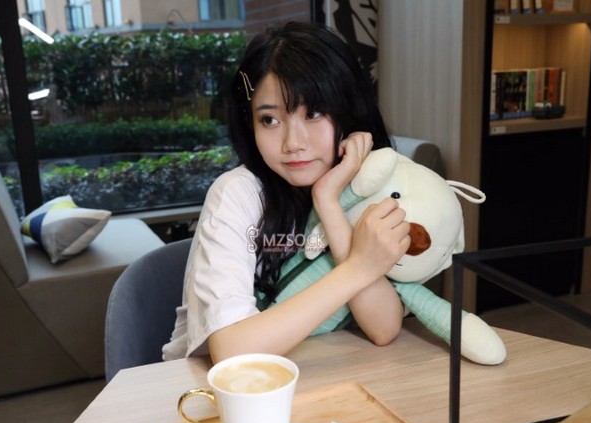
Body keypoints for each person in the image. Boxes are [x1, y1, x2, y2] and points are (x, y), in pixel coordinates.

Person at [162, 21, 411, 363]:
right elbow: (232, 351)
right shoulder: (237, 194)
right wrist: (358, 267)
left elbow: (384, 328)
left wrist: (327, 201)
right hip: (205, 385)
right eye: (269, 120)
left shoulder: (363, 185)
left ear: (348, 112)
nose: (293, 143)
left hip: (309, 374)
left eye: (314, 113)